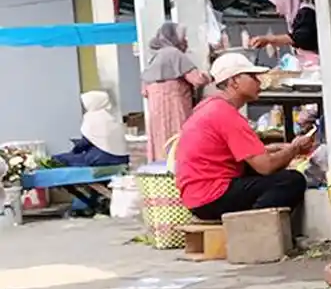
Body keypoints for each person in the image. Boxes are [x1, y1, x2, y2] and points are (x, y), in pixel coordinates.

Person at [174, 52, 315, 222]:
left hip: (196, 196)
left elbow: (239, 154)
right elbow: (266, 166)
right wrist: (294, 149)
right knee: (291, 181)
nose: (259, 82)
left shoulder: (210, 108)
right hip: (212, 195)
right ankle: (254, 228)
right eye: (252, 77)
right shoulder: (226, 114)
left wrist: (276, 149)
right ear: (234, 81)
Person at [141, 22, 210, 162]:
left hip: (156, 107)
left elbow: (144, 91)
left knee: (160, 138)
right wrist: (209, 76)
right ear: (174, 37)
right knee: (177, 136)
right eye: (183, 38)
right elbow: (197, 80)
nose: (186, 41)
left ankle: (161, 165)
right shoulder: (174, 53)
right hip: (174, 104)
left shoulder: (154, 57)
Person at [53, 90, 129, 167]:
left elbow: (85, 143)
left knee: (62, 158)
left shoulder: (92, 117)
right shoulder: (110, 117)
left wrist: (74, 151)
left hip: (103, 156)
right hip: (122, 157)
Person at [249, 0, 319, 60]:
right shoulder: (297, 14)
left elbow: (300, 38)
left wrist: (268, 39)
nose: (277, 11)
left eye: (278, 5)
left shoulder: (306, 12)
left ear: (286, 0)